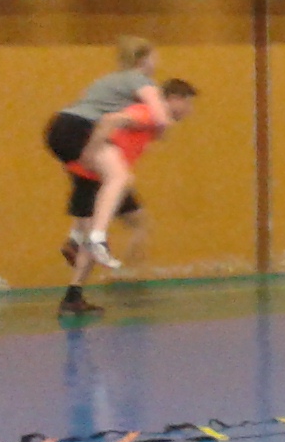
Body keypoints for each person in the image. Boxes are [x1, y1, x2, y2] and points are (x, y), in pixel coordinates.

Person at [58, 79, 194, 314]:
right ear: (174, 99)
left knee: (132, 224)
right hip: (96, 177)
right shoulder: (147, 113)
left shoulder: (152, 117)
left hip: (94, 175)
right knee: (121, 230)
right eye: (187, 103)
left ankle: (78, 271)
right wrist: (91, 152)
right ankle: (120, 277)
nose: (189, 110)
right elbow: (111, 120)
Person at [44, 36, 172, 269]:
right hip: (81, 127)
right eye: (154, 57)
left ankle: (77, 237)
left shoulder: (106, 80)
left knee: (96, 178)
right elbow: (160, 117)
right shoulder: (140, 79)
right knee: (119, 177)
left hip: (58, 128)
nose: (157, 62)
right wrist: (161, 131)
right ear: (144, 59)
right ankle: (96, 238)